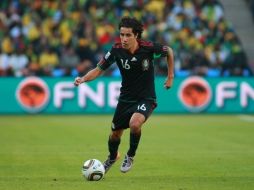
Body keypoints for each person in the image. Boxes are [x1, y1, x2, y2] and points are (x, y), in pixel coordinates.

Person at [74, 16, 174, 173]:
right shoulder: (116, 50)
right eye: (122, 34)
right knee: (115, 134)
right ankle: (112, 157)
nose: (124, 38)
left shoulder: (148, 48)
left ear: (136, 35)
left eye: (128, 35)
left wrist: (170, 77)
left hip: (146, 97)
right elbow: (99, 69)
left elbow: (169, 51)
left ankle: (130, 155)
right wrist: (83, 79)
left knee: (135, 124)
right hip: (126, 98)